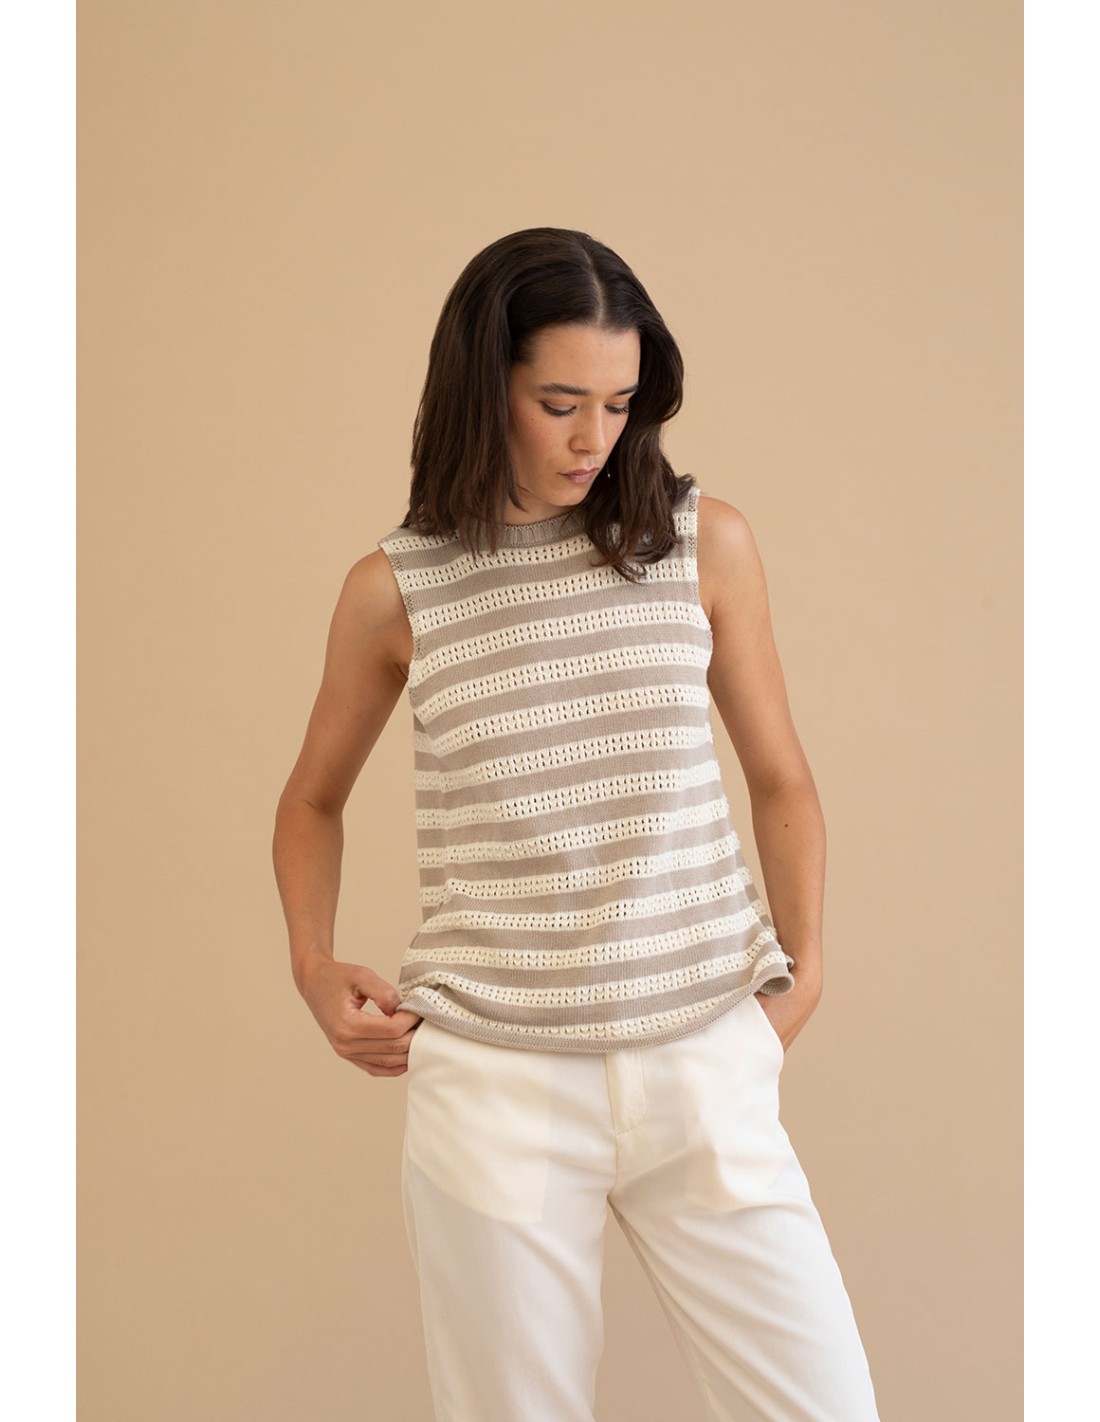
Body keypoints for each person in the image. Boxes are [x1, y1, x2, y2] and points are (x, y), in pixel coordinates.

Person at [272, 227, 882, 1422]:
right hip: (494, 1082)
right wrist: (310, 962)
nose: (592, 436)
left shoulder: (701, 544)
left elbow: (780, 777)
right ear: (481, 385)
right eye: (558, 403)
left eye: (616, 402)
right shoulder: (395, 590)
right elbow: (310, 799)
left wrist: (801, 975)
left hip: (701, 1053)